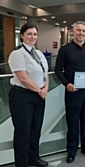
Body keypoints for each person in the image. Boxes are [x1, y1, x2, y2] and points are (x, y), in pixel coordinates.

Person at [55, 21, 85, 163]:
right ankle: (71, 150)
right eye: (78, 30)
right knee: (72, 123)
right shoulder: (65, 49)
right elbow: (58, 69)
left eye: (83, 31)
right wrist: (66, 84)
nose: (81, 33)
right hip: (73, 93)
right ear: (73, 32)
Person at [8, 23, 49, 167]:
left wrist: (45, 89)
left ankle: (34, 158)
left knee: (35, 130)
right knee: (23, 133)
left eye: (35, 34)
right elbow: (23, 78)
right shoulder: (17, 54)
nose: (33, 37)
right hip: (22, 96)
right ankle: (22, 163)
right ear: (22, 36)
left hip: (39, 96)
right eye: (29, 34)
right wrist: (39, 90)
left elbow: (46, 73)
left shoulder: (38, 53)